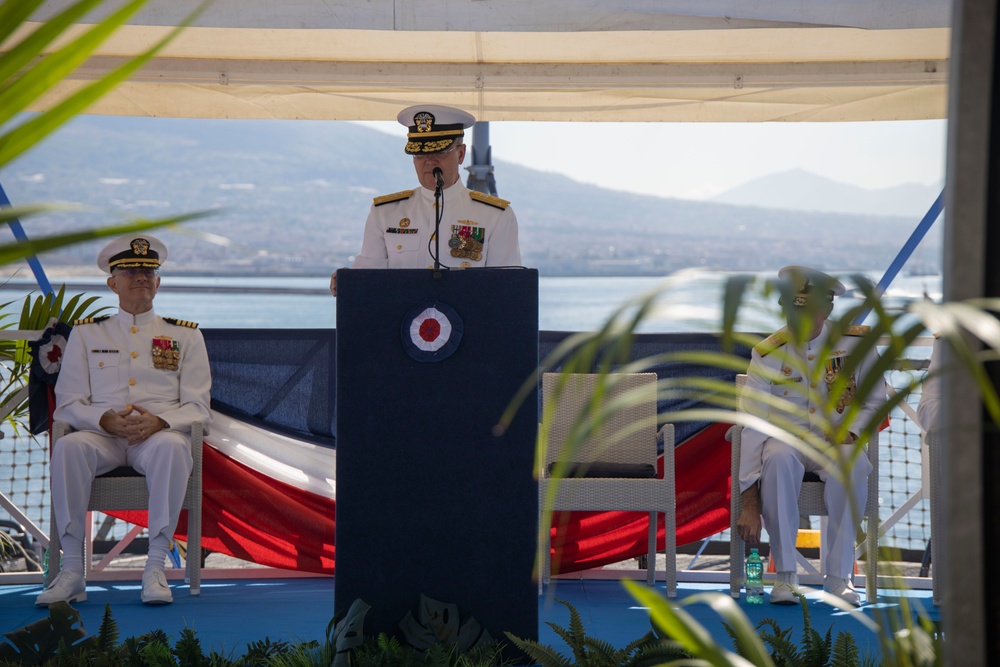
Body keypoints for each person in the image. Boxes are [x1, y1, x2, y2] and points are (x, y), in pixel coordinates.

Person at [35, 235, 212, 607]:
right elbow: (67, 405)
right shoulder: (87, 333)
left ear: (159, 283)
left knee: (173, 449)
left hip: (156, 438)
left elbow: (198, 408)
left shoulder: (185, 335)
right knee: (67, 446)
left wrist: (160, 421)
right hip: (103, 437)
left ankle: (155, 567)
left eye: (149, 271)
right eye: (130, 270)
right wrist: (105, 421)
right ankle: (71, 571)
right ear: (111, 283)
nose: (141, 277)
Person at [735, 266, 885, 606]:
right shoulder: (768, 353)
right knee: (776, 458)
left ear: (827, 310)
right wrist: (747, 497)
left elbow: (876, 399)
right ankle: (786, 575)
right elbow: (754, 421)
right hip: (787, 439)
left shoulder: (856, 344)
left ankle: (838, 578)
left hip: (836, 442)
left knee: (853, 466)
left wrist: (850, 429)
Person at [330, 104, 521, 296]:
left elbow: (505, 289)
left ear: (461, 154)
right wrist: (348, 282)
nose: (429, 161)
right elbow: (368, 276)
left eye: (439, 152)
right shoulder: (385, 212)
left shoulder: (495, 216)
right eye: (420, 154)